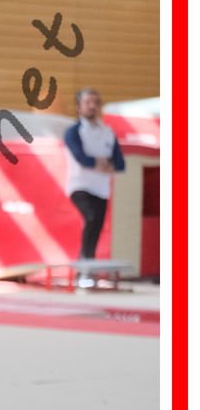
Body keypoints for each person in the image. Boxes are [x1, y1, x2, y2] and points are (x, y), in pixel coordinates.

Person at [63, 88, 126, 287]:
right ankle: (83, 268)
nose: (92, 106)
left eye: (95, 102)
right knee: (90, 218)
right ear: (79, 107)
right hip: (80, 186)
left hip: (101, 189)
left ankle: (87, 269)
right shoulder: (73, 132)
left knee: (96, 227)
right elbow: (82, 158)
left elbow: (120, 162)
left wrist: (105, 164)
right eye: (87, 102)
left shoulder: (108, 132)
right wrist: (99, 162)